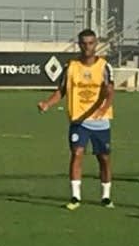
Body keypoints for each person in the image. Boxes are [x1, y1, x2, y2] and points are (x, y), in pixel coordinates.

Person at [37, 28, 115, 210]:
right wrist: (48, 104)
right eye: (84, 43)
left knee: (103, 158)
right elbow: (61, 91)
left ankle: (106, 196)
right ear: (79, 44)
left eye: (91, 43)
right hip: (78, 121)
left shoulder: (104, 67)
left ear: (96, 44)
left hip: (100, 121)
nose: (87, 47)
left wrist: (103, 108)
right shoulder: (71, 67)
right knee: (77, 153)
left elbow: (110, 91)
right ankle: (75, 197)